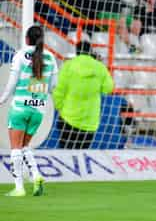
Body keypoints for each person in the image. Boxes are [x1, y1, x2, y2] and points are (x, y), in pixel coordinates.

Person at [0, 26, 58, 196]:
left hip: (20, 107)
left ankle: (19, 188)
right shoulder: (51, 57)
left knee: (15, 148)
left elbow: (12, 82)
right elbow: (53, 85)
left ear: (26, 39)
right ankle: (36, 176)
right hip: (38, 108)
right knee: (25, 146)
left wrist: (2, 99)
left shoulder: (20, 55)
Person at [52, 41, 114, 149]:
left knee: (66, 154)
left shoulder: (68, 66)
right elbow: (108, 88)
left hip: (68, 119)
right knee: (81, 156)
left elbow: (58, 91)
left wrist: (60, 108)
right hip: (89, 123)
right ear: (90, 52)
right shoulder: (99, 67)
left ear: (76, 52)